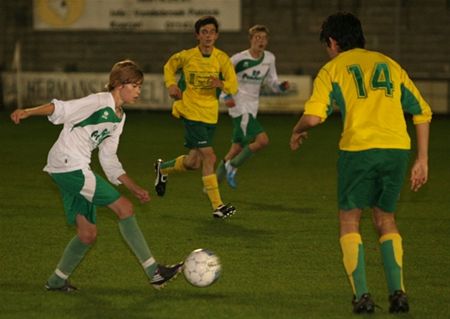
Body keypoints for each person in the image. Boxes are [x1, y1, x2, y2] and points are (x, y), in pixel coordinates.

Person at [289, 12, 431, 314]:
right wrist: (422, 159)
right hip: (397, 150)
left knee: (350, 220)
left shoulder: (332, 69)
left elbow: (314, 117)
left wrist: (297, 130)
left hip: (359, 150)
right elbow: (422, 111)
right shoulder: (389, 64)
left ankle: (363, 296)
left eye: (326, 45)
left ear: (332, 41)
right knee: (386, 220)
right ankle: (398, 294)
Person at [10, 60, 183, 292]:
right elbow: (62, 108)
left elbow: (109, 159)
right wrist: (28, 112)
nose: (139, 91)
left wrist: (133, 187)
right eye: (136, 85)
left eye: (140, 86)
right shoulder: (99, 101)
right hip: (69, 164)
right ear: (119, 85)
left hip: (68, 167)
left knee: (87, 234)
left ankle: (56, 281)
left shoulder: (119, 118)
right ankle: (155, 272)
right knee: (125, 209)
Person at [155, 16, 238, 219]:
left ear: (217, 35)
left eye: (212, 32)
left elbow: (233, 86)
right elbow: (168, 67)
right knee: (210, 156)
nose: (208, 36)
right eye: (204, 32)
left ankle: (163, 169)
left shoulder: (222, 59)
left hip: (210, 115)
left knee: (194, 163)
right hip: (190, 111)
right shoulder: (187, 56)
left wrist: (221, 84)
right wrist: (171, 85)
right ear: (197, 35)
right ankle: (217, 206)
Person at [216, 24, 289, 189]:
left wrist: (280, 87)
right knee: (262, 140)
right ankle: (232, 166)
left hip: (252, 105)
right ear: (251, 40)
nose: (260, 41)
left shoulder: (270, 58)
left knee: (236, 147)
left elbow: (272, 82)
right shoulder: (237, 59)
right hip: (238, 104)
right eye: (257, 37)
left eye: (263, 38)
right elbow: (223, 78)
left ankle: (212, 184)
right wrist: (225, 96)